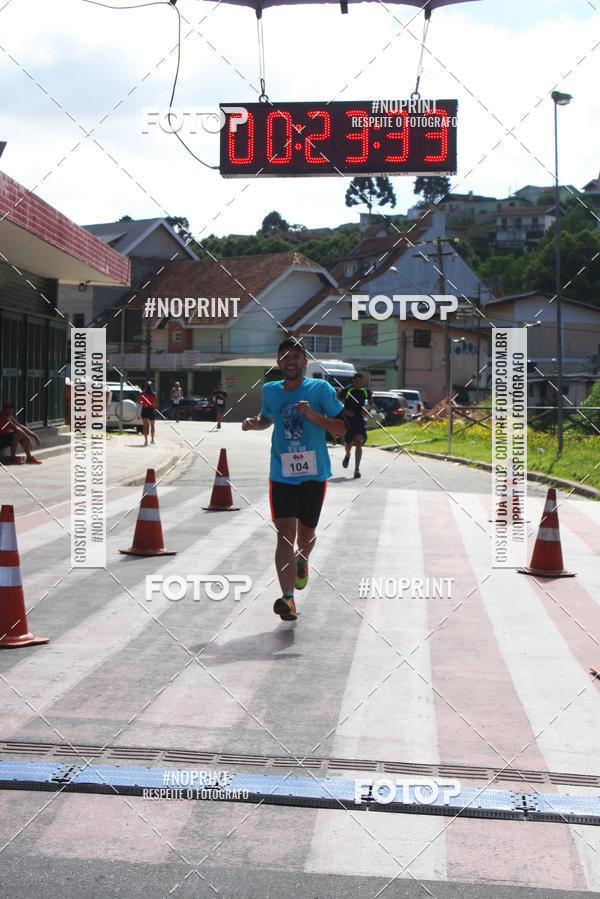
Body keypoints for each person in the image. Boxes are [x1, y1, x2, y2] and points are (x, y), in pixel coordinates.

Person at [242, 339, 347, 621]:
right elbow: (267, 418)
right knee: (285, 535)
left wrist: (312, 414)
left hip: (314, 475)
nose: (290, 362)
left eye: (296, 357)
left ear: (304, 362)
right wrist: (255, 423)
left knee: (306, 536)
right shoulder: (270, 390)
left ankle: (303, 559)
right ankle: (288, 599)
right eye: (284, 357)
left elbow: (342, 427)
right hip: (282, 474)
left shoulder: (320, 389)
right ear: (278, 363)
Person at [338, 373, 373, 479]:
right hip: (348, 419)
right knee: (348, 443)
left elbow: (371, 403)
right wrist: (346, 412)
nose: (360, 384)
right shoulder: (347, 390)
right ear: (353, 381)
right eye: (358, 382)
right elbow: (338, 402)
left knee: (358, 441)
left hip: (359, 418)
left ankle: (357, 469)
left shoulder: (365, 391)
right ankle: (348, 454)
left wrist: (366, 410)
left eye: (361, 382)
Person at [138, 381, 157, 446]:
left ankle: (146, 440)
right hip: (151, 410)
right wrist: (151, 404)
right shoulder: (154, 394)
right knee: (152, 426)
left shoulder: (142, 393)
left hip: (144, 410)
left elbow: (139, 402)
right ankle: (152, 439)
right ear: (152, 386)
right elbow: (155, 403)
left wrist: (143, 402)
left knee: (145, 426)